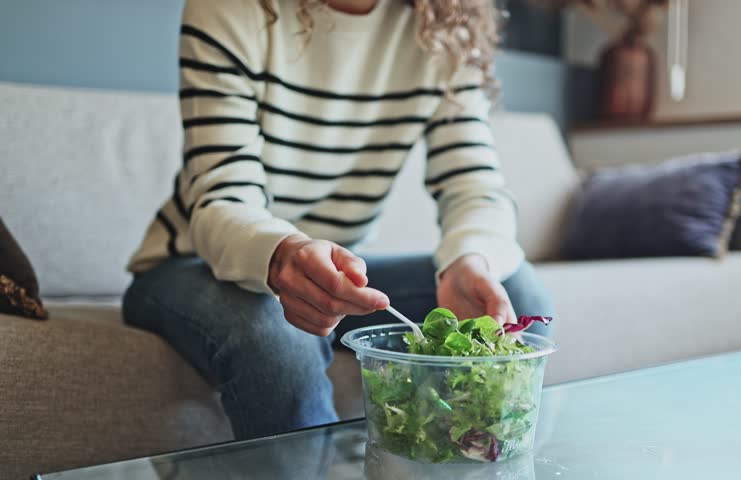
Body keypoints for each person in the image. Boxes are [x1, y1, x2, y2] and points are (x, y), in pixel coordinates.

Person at [123, 0, 553, 441]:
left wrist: (469, 260)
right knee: (278, 337)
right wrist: (282, 255)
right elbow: (221, 199)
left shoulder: (446, 26)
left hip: (335, 281)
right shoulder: (233, 9)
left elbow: (473, 187)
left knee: (516, 292)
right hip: (192, 264)